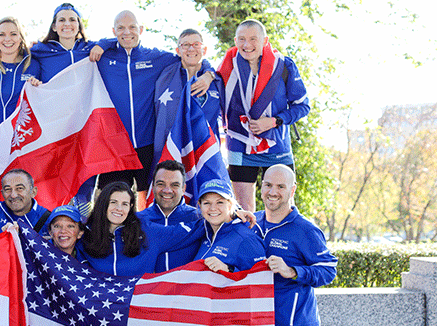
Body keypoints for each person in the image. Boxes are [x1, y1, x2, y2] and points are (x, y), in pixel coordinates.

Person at [94, 11, 215, 202]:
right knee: (111, 200)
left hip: (147, 145)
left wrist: (208, 73)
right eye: (121, 28)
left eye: (132, 27)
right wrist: (103, 43)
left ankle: (143, 233)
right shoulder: (102, 57)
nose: (127, 32)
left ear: (141, 29)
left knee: (147, 200)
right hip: (114, 145)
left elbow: (191, 57)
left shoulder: (156, 57)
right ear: (113, 31)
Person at [219, 19, 310, 211]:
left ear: (265, 40)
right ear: (235, 41)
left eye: (253, 39)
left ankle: (283, 241)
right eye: (242, 39)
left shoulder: (283, 65)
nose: (247, 45)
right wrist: (208, 76)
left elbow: (302, 106)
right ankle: (251, 242)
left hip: (277, 146)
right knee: (243, 210)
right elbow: (214, 90)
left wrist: (275, 121)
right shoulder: (227, 66)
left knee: (283, 206)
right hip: (240, 146)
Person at [255, 165, 337, 326]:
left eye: (281, 186)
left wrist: (292, 271)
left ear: (292, 190)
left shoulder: (305, 230)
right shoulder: (252, 223)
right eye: (268, 185)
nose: (272, 191)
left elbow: (328, 270)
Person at [78, 181, 199, 276]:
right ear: (104, 204)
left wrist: (213, 216)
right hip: (99, 305)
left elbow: (188, 231)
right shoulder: (86, 235)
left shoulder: (147, 231)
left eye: (124, 204)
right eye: (113, 202)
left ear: (130, 207)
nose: (119, 208)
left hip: (136, 304)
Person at [155, 28, 223, 140]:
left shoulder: (216, 80)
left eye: (196, 44)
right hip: (172, 149)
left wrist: (210, 74)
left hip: (206, 150)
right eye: (185, 45)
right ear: (178, 51)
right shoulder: (164, 76)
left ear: (204, 50)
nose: (191, 49)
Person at [136, 160, 201, 272]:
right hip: (148, 287)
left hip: (186, 287)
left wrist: (236, 213)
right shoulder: (137, 220)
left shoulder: (200, 218)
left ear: (183, 189)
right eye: (161, 184)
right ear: (153, 186)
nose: (167, 190)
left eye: (174, 185)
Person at [193, 179, 265, 273]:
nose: (213, 208)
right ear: (200, 206)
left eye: (220, 202)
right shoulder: (203, 232)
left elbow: (262, 280)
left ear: (230, 205)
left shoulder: (246, 239)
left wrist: (229, 270)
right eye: (207, 203)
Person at [0, 169, 50, 247]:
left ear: (33, 192)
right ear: (2, 193)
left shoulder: (52, 221)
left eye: (20, 188)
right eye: (7, 189)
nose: (13, 195)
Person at [30, 3, 99, 82]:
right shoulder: (41, 49)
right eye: (62, 20)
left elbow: (114, 42)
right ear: (54, 27)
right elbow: (18, 55)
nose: (67, 24)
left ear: (79, 26)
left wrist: (101, 46)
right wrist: (31, 79)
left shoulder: (90, 47)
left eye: (72, 20)